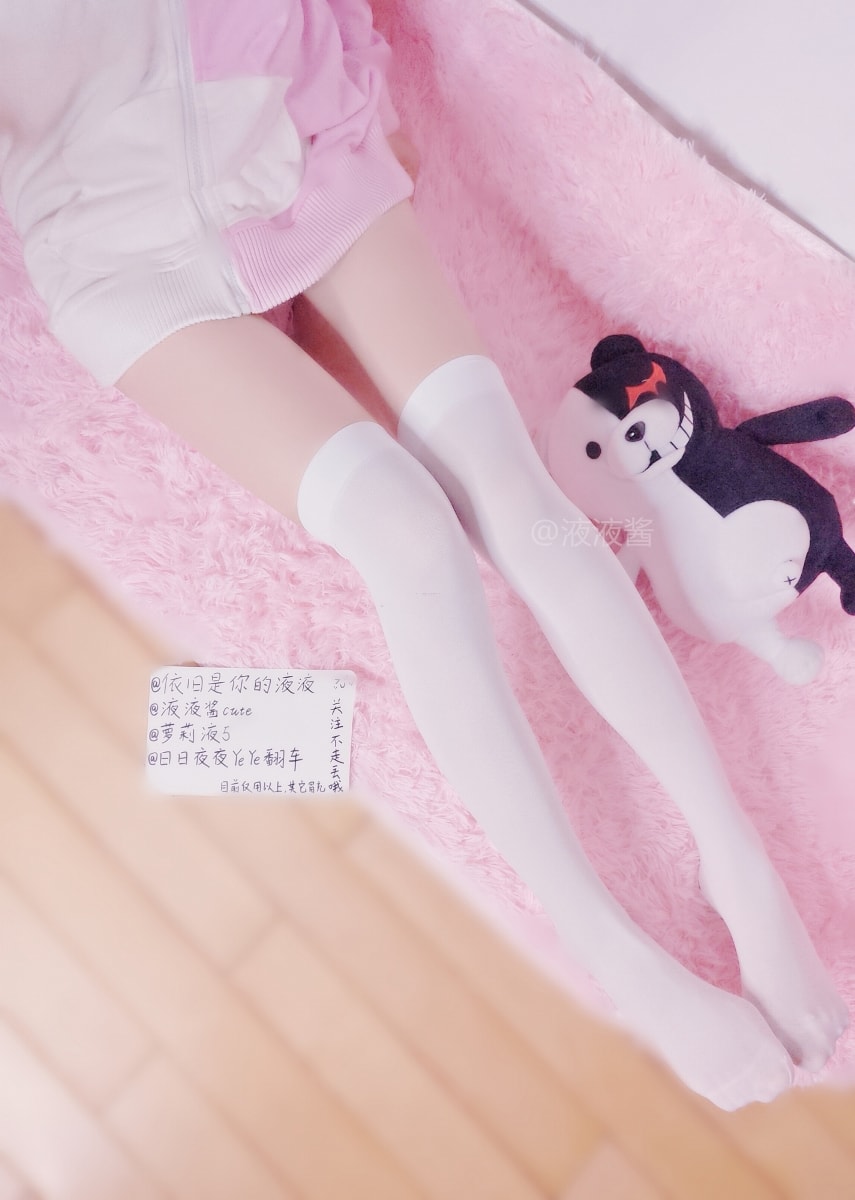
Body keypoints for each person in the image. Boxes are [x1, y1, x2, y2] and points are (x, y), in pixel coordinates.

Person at [1, 0, 847, 1110]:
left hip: (286, 111)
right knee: (403, 535)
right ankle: (618, 955)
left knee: (510, 482)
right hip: (109, 236)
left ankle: (738, 861)